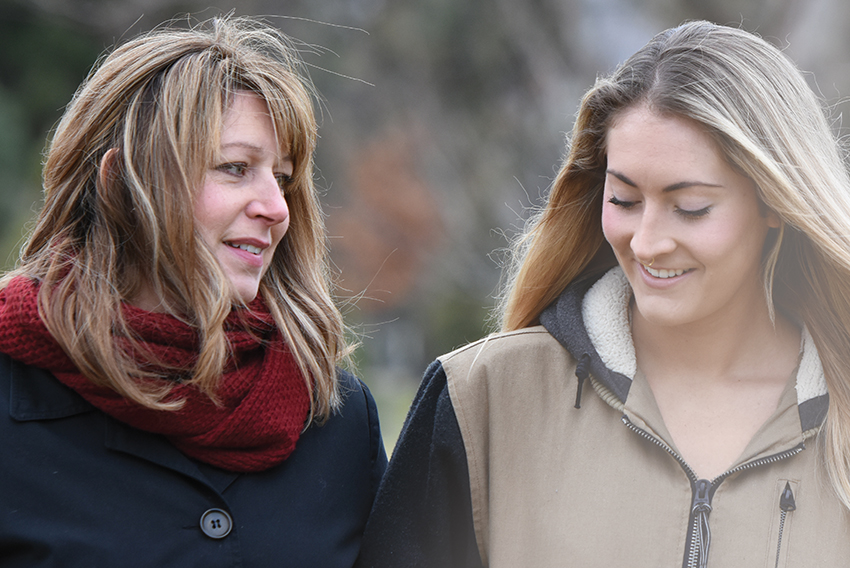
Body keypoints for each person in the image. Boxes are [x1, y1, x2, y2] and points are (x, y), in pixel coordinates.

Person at [354, 20, 850, 568]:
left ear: (775, 203)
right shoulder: (484, 397)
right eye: (624, 199)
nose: (647, 242)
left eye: (691, 207)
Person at [0, 15, 386, 567]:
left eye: (282, 178)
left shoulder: (338, 420)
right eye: (235, 168)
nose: (277, 208)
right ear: (121, 186)